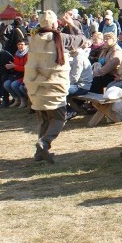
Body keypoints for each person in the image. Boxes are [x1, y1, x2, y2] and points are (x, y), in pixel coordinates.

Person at [23, 10, 85, 164]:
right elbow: (81, 39)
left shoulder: (33, 37)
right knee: (59, 118)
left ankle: (40, 153)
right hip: (53, 86)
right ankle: (44, 143)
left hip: (36, 86)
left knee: (44, 119)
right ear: (54, 23)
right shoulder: (60, 38)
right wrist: (71, 23)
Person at [5, 38, 29, 107]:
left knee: (14, 85)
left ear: (27, 46)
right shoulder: (17, 54)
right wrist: (11, 66)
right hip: (18, 75)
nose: (19, 46)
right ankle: (17, 99)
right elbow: (16, 66)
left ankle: (24, 100)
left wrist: (14, 66)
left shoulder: (28, 55)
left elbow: (27, 68)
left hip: (25, 75)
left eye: (22, 44)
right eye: (18, 44)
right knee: (6, 84)